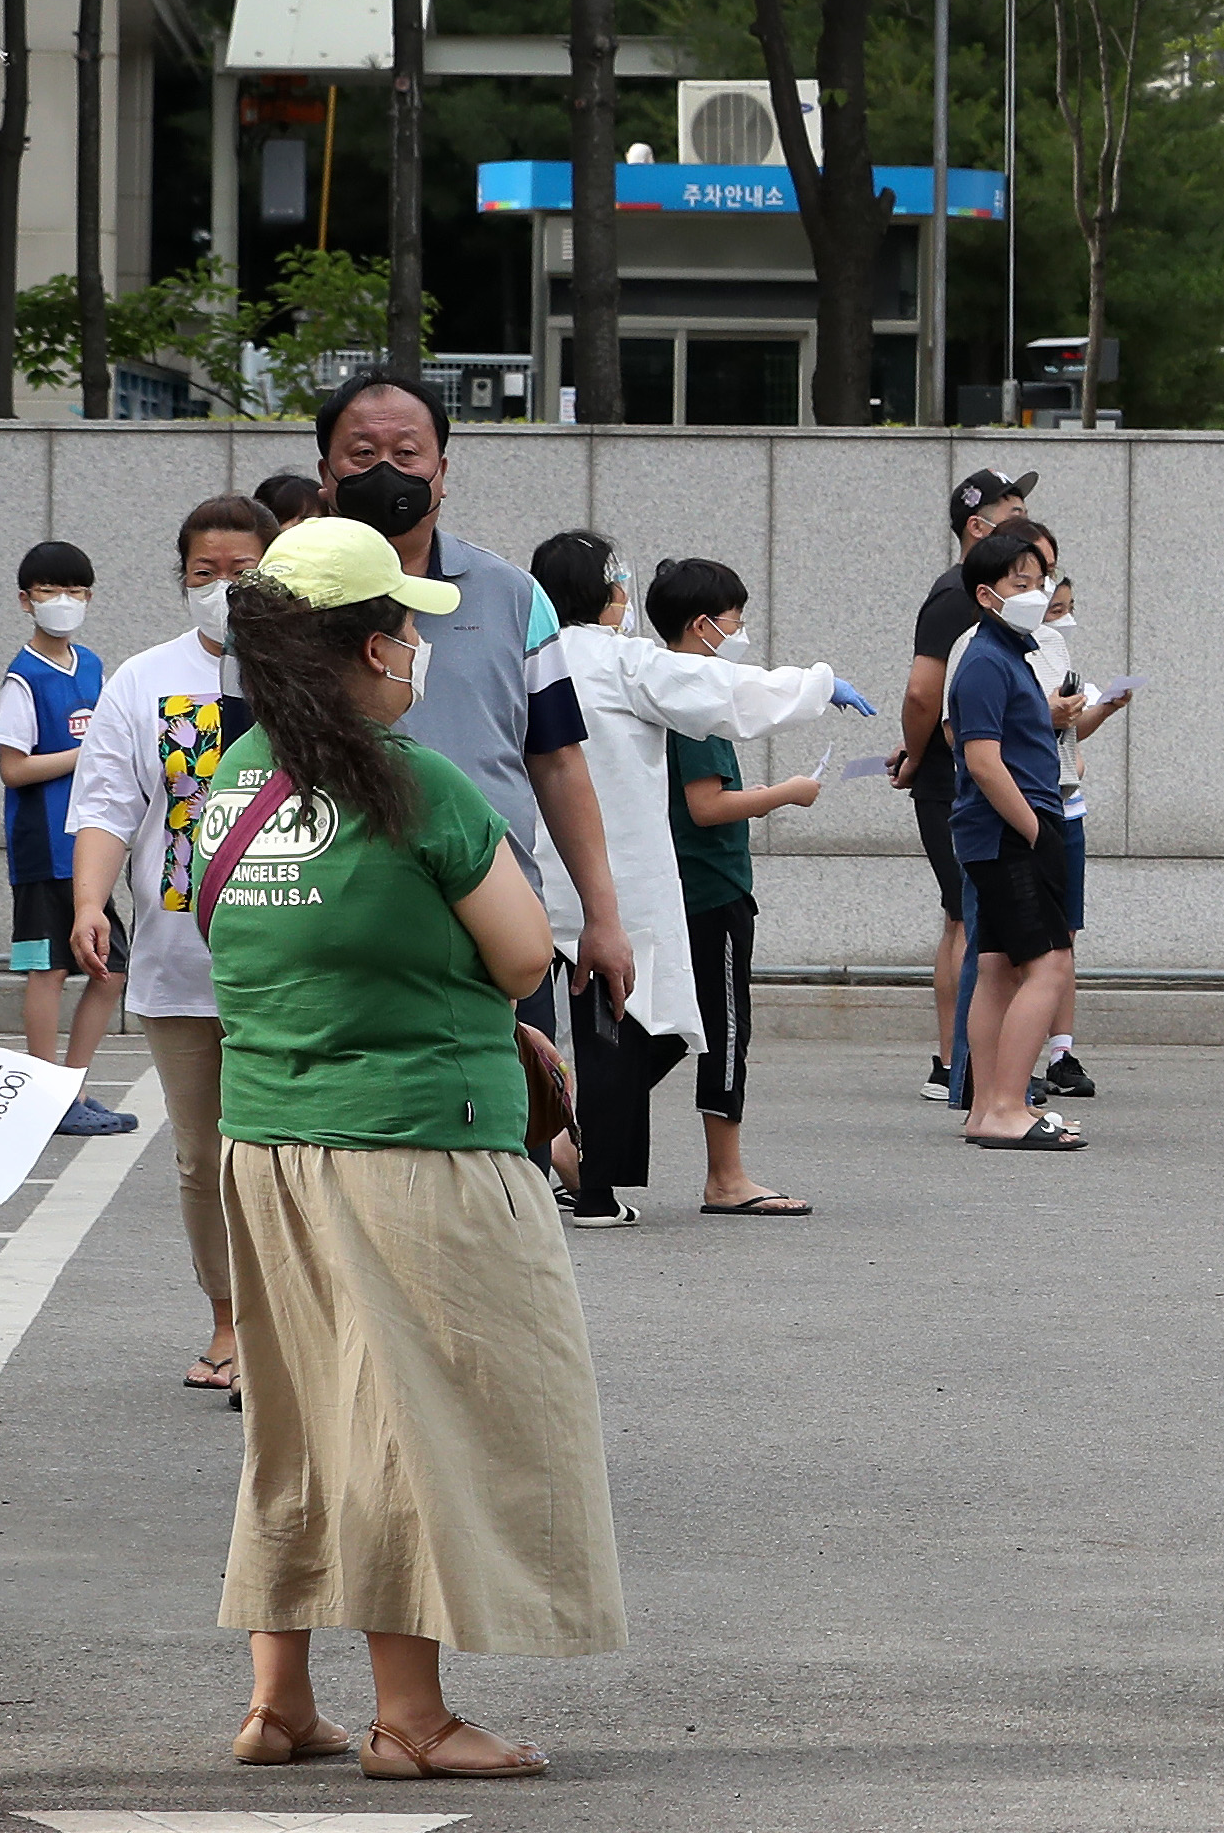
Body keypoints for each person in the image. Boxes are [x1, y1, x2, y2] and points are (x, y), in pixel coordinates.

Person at [204, 516, 614, 1782]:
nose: (422, 645)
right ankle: (413, 1718)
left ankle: (280, 1701)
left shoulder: (236, 782)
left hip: (267, 1138)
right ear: (373, 644)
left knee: (299, 1415)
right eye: (409, 626)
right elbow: (525, 953)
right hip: (419, 1142)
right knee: (409, 1424)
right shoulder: (417, 785)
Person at [526, 531, 863, 1223]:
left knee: (526, 1025)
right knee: (620, 1022)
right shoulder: (625, 661)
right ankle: (593, 1187)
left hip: (530, 870)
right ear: (608, 590)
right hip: (607, 877)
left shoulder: (524, 657)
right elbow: (723, 691)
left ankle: (531, 1171)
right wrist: (816, 685)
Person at [307, 376, 639, 1035]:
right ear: (326, 472)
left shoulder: (513, 596)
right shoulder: (280, 604)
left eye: (407, 454)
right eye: (361, 453)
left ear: (442, 471)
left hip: (498, 933)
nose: (385, 472)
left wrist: (602, 916)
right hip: (329, 934)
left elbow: (559, 763)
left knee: (513, 1133)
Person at [71, 496, 274, 1396]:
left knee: (284, 1154)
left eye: (243, 572)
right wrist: (89, 903)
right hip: (179, 962)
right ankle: (228, 1320)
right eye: (205, 573)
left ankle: (290, 1328)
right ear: (181, 577)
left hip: (292, 963)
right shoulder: (143, 679)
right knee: (204, 1157)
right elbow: (109, 803)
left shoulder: (310, 673)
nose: (223, 589)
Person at [650, 558, 827, 1221]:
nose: (743, 632)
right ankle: (725, 1176)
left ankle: (574, 1138)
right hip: (711, 888)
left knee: (671, 1027)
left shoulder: (671, 687)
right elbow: (706, 805)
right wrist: (788, 793)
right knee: (723, 1028)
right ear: (702, 626)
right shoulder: (696, 702)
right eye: (736, 621)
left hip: (692, 885)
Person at [893, 468, 1038, 1106]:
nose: (1027, 527)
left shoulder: (970, 593)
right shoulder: (962, 594)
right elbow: (924, 691)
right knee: (967, 917)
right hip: (958, 781)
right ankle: (957, 1062)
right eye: (1013, 513)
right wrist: (917, 755)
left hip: (954, 773)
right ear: (977, 529)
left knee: (965, 918)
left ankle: (959, 1061)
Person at [0, 536, 139, 1135]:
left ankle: (70, 1090)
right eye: (51, 590)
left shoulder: (95, 666)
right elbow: (13, 767)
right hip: (39, 850)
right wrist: (83, 754)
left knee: (113, 968)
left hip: (85, 852)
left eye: (76, 590)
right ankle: (44, 1094)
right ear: (26, 601)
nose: (64, 601)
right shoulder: (22, 678)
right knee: (46, 970)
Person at [944, 523, 1082, 1149]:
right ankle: (1005, 1104)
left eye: (1040, 581)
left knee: (999, 967)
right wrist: (1033, 828)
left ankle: (985, 1107)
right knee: (1049, 964)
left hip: (1008, 830)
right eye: (1020, 583)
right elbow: (981, 758)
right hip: (1010, 832)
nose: (1036, 593)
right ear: (985, 595)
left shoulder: (1010, 654)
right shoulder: (984, 660)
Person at [1018, 558, 1131, 1100]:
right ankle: (1004, 1067)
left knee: (1063, 938)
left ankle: (1060, 1051)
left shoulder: (1058, 655)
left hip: (1065, 812)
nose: (1060, 620)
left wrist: (1102, 709)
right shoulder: (996, 653)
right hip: (1024, 811)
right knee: (1016, 944)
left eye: (1066, 609)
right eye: (1052, 608)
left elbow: (1071, 738)